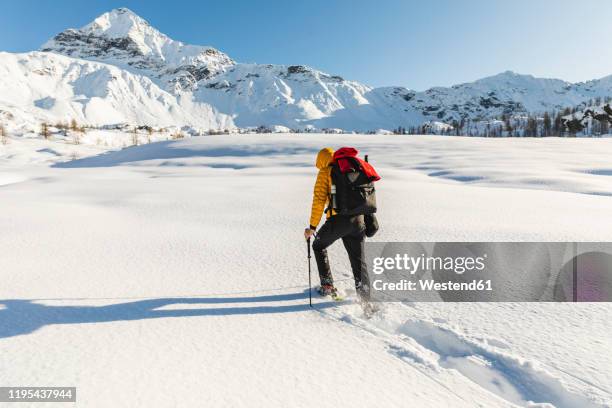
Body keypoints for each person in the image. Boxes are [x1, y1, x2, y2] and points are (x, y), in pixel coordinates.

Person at [304, 147, 379, 303]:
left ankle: (327, 286)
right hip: (358, 221)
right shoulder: (353, 168)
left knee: (318, 245)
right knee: (358, 261)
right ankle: (365, 298)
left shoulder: (326, 172)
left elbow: (318, 201)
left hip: (338, 221)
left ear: (321, 160)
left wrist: (312, 227)